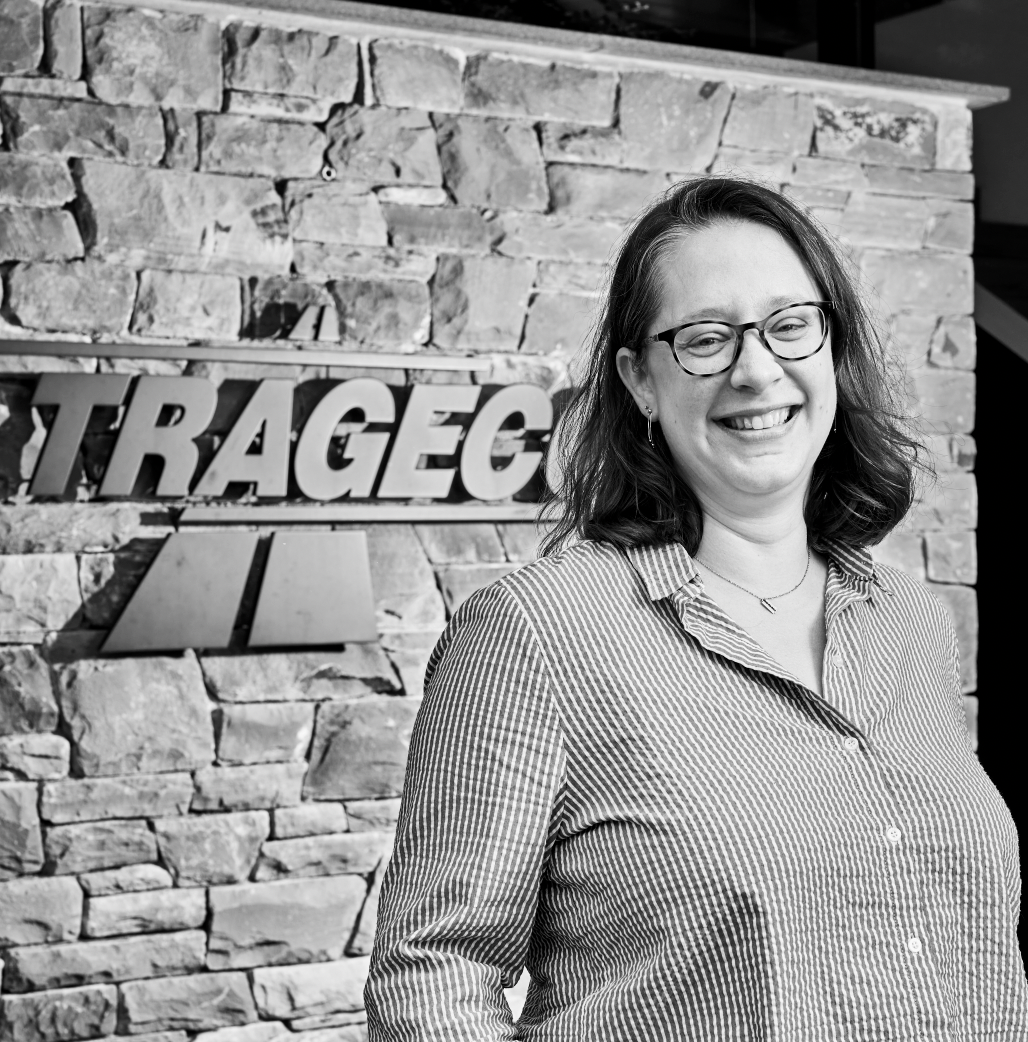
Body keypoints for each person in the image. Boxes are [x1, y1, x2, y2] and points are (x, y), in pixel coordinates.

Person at [364, 177, 1028, 1039]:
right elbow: (431, 975)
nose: (757, 370)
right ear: (640, 380)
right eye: (706, 339)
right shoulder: (539, 634)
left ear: (831, 346)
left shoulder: (910, 619)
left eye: (790, 325)